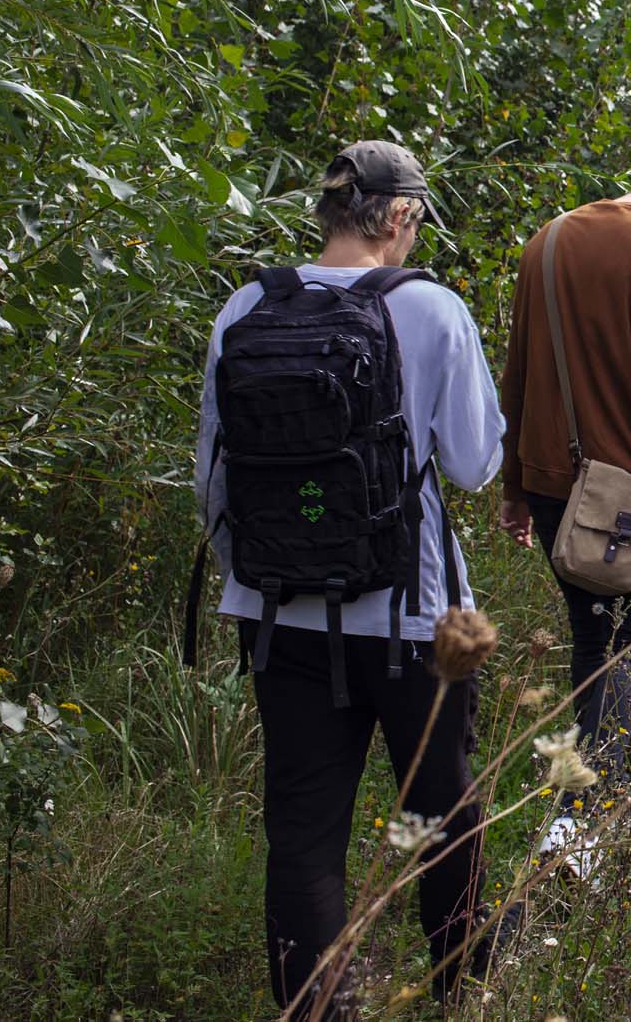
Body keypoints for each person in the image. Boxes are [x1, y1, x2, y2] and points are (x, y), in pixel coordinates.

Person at [194, 141, 505, 1014]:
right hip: (411, 618)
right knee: (442, 813)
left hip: (277, 610)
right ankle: (460, 991)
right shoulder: (432, 307)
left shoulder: (248, 304)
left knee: (302, 828)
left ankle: (312, 1008)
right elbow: (474, 463)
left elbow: (212, 471)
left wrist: (254, 575)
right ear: (399, 215)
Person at [496, 161, 631, 869]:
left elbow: (518, 370)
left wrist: (514, 485)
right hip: (622, 492)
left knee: (594, 643)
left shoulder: (549, 237)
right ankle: (578, 830)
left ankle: (595, 808)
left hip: (549, 478)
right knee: (628, 650)